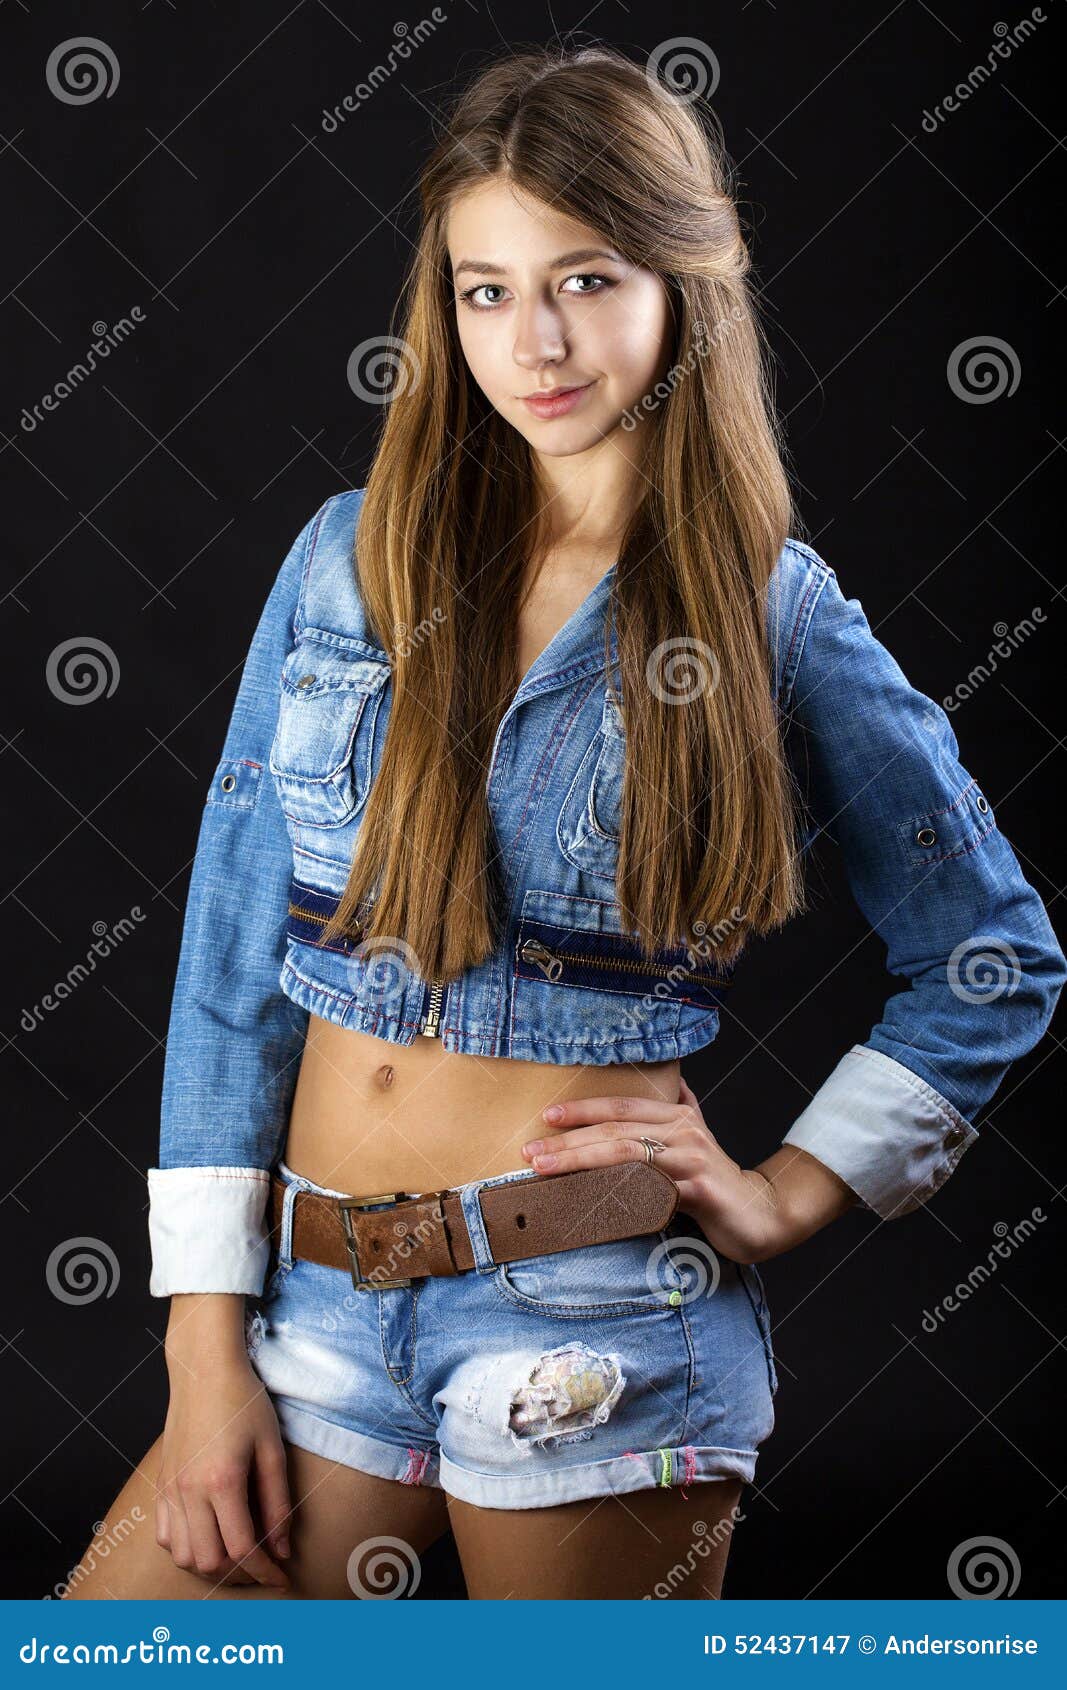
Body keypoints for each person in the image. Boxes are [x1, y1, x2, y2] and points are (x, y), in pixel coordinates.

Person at [65, 42, 1065, 1602]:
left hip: (592, 1324)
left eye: (585, 279)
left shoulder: (766, 615)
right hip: (317, 1304)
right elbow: (227, 958)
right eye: (484, 289)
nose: (532, 340)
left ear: (684, 282)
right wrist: (205, 1346)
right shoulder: (344, 565)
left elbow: (993, 951)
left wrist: (791, 1187)